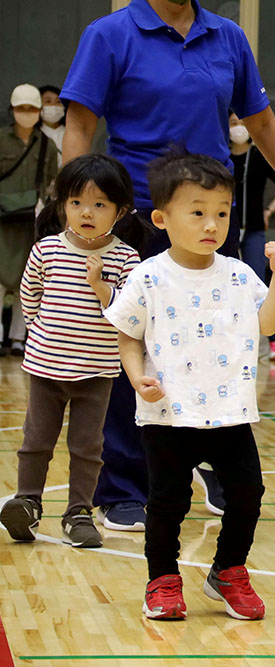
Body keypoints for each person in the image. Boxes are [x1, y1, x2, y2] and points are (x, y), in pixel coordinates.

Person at [59, 0, 275, 533]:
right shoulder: (110, 34)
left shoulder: (227, 37)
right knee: (132, 344)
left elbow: (261, 121)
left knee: (215, 340)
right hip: (134, 217)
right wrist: (76, 214)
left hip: (208, 219)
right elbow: (80, 124)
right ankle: (124, 486)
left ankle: (209, 458)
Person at [105, 152, 275, 621]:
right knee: (168, 502)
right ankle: (163, 579)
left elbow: (267, 325)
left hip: (231, 412)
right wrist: (135, 376)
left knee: (247, 494)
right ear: (162, 218)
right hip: (168, 413)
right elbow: (128, 335)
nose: (212, 224)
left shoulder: (239, 273)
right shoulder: (148, 276)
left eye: (222, 213)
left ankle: (228, 570)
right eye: (198, 212)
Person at [0, 155, 140, 548]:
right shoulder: (46, 249)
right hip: (45, 368)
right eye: (76, 202)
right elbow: (30, 296)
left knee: (87, 447)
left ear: (120, 211)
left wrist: (100, 286)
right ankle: (28, 504)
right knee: (35, 441)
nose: (86, 212)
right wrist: (40, 333)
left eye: (99, 204)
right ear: (63, 205)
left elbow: (129, 313)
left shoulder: (126, 258)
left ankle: (78, 513)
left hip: (97, 371)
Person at [1, 83, 59, 358]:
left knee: (28, 277)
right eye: (21, 108)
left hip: (30, 219)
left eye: (32, 109)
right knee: (0, 279)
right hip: (2, 219)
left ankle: (17, 338)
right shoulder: (1, 139)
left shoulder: (46, 144)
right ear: (12, 110)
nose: (27, 113)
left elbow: (50, 181)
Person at [229, 112, 275, 363]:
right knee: (229, 282)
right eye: (233, 123)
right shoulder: (223, 156)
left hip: (253, 228)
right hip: (228, 229)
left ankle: (274, 342)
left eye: (242, 123)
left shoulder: (259, 156)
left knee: (259, 283)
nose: (238, 128)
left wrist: (268, 211)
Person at [38, 86, 66, 165]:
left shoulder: (71, 133)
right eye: (48, 101)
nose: (54, 105)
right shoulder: (34, 134)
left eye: (58, 102)